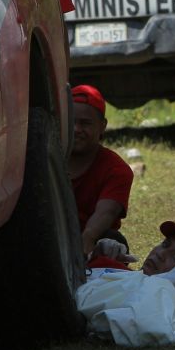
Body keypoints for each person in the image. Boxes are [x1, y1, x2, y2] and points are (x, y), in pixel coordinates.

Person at [68, 84, 134, 254]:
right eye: (71, 122)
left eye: (85, 123)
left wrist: (86, 241)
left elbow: (106, 212)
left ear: (102, 126)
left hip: (91, 243)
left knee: (113, 240)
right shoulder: (46, 158)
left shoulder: (117, 170)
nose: (76, 129)